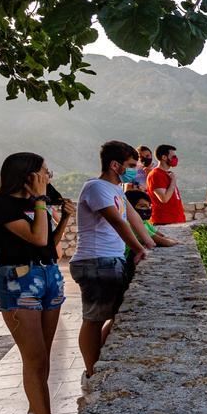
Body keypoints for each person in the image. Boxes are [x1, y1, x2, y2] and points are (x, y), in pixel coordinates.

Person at [0, 153, 74, 414]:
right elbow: (35, 238)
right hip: (18, 282)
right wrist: (42, 201)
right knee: (34, 357)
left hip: (49, 276)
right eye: (45, 172)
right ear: (27, 174)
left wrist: (66, 217)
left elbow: (48, 243)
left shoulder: (34, 204)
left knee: (44, 355)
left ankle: (37, 410)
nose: (49, 176)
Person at [71, 141, 154, 390]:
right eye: (130, 165)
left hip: (110, 260)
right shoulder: (96, 188)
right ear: (114, 165)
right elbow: (118, 222)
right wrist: (139, 248)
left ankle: (100, 365)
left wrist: (150, 244)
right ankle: (91, 373)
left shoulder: (116, 189)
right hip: (95, 260)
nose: (134, 170)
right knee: (94, 319)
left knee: (118, 315)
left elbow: (135, 218)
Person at [146, 144, 185, 225]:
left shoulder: (168, 174)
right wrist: (173, 181)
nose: (175, 159)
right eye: (173, 157)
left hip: (176, 219)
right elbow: (164, 199)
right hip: (164, 221)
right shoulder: (156, 174)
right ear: (164, 157)